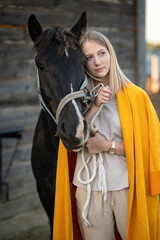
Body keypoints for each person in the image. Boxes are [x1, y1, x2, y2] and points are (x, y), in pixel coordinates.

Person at [53, 31, 160, 240]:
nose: (97, 62)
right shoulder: (76, 100)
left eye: (101, 53)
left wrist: (108, 146)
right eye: (89, 57)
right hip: (88, 188)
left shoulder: (137, 97)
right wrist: (95, 105)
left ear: (110, 52)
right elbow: (74, 141)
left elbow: (149, 149)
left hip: (127, 186)